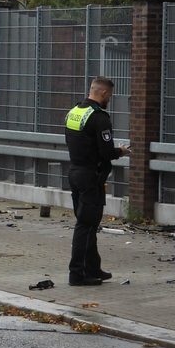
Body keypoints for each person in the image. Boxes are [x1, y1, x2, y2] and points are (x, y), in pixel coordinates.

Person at [64, 77, 130, 286]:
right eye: (109, 96)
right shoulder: (99, 117)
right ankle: (77, 274)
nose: (109, 99)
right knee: (85, 225)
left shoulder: (75, 111)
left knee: (89, 224)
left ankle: (93, 268)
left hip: (75, 172)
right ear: (102, 93)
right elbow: (106, 152)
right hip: (91, 176)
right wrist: (121, 151)